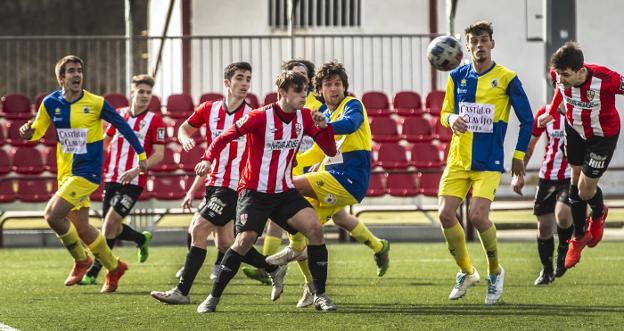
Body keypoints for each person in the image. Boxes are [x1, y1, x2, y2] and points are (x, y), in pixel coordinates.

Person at [193, 70, 338, 313]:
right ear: (282, 93)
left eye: (305, 91)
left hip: (284, 192)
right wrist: (208, 159)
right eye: (297, 91)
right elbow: (224, 137)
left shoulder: (306, 117)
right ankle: (213, 297)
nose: (304, 96)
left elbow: (330, 150)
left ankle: (320, 295)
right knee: (244, 240)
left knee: (315, 228)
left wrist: (325, 128)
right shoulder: (259, 116)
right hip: (254, 192)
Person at [266, 60, 390, 308]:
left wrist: (326, 126)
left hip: (348, 179)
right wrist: (292, 159)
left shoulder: (351, 105)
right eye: (328, 85)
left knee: (286, 187)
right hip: (332, 181)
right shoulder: (328, 113)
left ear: (344, 86)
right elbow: (317, 154)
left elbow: (352, 123)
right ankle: (308, 283)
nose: (334, 89)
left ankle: (272, 262)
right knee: (303, 224)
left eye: (338, 84)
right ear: (319, 90)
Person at [18, 55, 147, 293]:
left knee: (52, 215)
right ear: (61, 78)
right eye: (71, 71)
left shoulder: (96, 103)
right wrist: (26, 132)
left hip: (87, 173)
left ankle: (81, 259)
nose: (77, 75)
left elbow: (123, 126)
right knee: (83, 229)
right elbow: (36, 131)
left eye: (79, 70)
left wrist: (141, 156)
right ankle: (114, 267)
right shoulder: (50, 103)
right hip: (65, 173)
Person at [437, 21, 533, 304]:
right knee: (444, 214)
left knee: (478, 216)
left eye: (483, 40)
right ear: (466, 46)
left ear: (492, 44)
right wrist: (452, 119)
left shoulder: (507, 78)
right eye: (473, 41)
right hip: (457, 158)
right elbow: (445, 113)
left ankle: (494, 272)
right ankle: (467, 272)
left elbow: (526, 120)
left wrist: (518, 157)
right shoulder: (456, 76)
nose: (479, 45)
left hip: (488, 161)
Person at [150, 62, 256, 304]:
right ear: (227, 83)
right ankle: (272, 267)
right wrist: (186, 139)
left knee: (197, 229)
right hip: (213, 182)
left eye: (248, 79)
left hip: (233, 186)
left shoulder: (252, 115)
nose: (245, 83)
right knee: (227, 242)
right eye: (240, 78)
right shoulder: (210, 109)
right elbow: (183, 128)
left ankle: (181, 291)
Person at [538, 42, 622, 269]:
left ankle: (598, 212)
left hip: (602, 136)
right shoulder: (559, 74)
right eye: (559, 75)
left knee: (585, 190)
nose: (561, 79)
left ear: (581, 71)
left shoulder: (607, 79)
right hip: (574, 129)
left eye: (566, 75)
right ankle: (579, 236)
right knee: (574, 179)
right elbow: (559, 90)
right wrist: (552, 112)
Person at [241, 59, 323, 286]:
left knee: (314, 227)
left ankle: (304, 281)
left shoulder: (315, 104)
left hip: (309, 169)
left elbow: (328, 136)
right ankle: (273, 269)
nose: (298, 79)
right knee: (283, 226)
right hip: (285, 169)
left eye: (302, 75)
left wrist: (322, 159)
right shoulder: (279, 106)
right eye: (293, 74)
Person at [79, 74, 166, 285]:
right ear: (132, 92)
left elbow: (160, 154)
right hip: (112, 178)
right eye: (141, 91)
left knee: (109, 225)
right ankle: (140, 238)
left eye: (148, 92)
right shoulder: (118, 115)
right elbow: (106, 143)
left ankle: (96, 271)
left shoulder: (156, 121)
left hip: (134, 181)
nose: (145, 96)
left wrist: (136, 170)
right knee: (113, 228)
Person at [512, 103, 573, 285]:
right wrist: (519, 174)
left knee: (563, 216)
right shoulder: (544, 113)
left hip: (570, 175)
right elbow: (530, 145)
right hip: (546, 176)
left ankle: (563, 253)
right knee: (544, 227)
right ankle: (547, 270)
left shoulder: (579, 110)